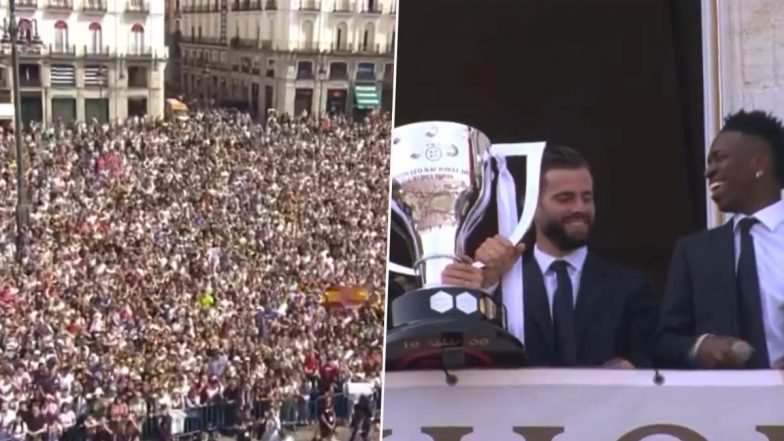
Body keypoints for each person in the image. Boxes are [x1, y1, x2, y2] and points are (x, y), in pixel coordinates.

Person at [441, 144, 657, 367]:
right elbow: (465, 356)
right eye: (565, 198)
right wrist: (485, 287)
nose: (579, 208)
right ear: (531, 207)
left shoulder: (630, 286)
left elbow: (654, 370)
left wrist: (631, 370)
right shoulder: (503, 285)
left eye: (586, 197)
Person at [655, 110, 784, 369]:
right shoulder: (694, 252)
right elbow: (665, 342)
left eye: (719, 159)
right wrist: (700, 346)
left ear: (758, 163)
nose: (708, 172)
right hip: (722, 405)